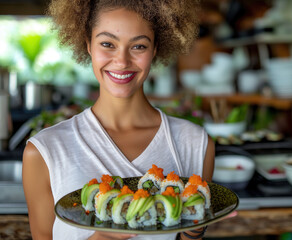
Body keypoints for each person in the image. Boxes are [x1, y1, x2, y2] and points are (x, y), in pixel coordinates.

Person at [22, 0, 215, 240]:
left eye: (139, 46)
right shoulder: (44, 151)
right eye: (107, 44)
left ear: (155, 49)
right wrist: (104, 237)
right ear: (88, 45)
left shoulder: (195, 144)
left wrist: (196, 226)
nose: (122, 61)